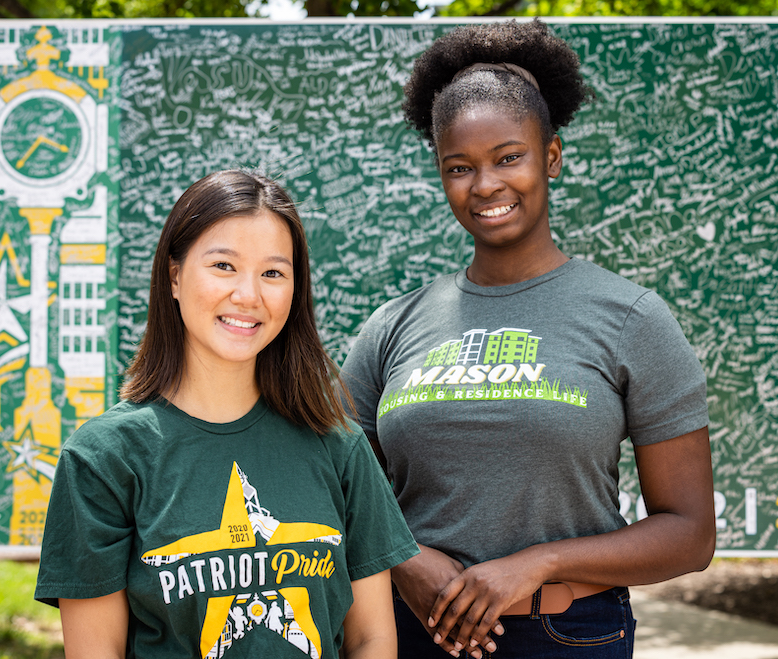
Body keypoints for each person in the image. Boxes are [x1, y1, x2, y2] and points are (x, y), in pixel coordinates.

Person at [339, 20, 715, 659]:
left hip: (565, 635)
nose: (484, 186)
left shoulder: (632, 318)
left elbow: (688, 535)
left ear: (552, 157)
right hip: (409, 633)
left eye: (508, 157)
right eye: (459, 168)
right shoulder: (393, 325)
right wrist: (403, 559)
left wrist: (537, 564)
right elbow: (335, 480)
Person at [35, 169, 419, 659]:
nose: (248, 295)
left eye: (273, 273)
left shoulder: (338, 445)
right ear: (174, 276)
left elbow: (371, 639)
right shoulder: (103, 458)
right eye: (223, 266)